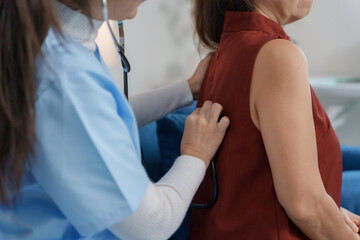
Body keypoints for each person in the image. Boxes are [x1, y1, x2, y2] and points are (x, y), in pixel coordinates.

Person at [0, 0, 230, 239]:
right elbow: (152, 226)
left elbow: (101, 117)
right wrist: (196, 154)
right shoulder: (65, 81)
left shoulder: (55, 41)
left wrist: (188, 89)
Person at [190, 0, 360, 239]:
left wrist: (331, 213)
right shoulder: (276, 55)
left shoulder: (223, 54)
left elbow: (253, 183)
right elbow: (304, 205)